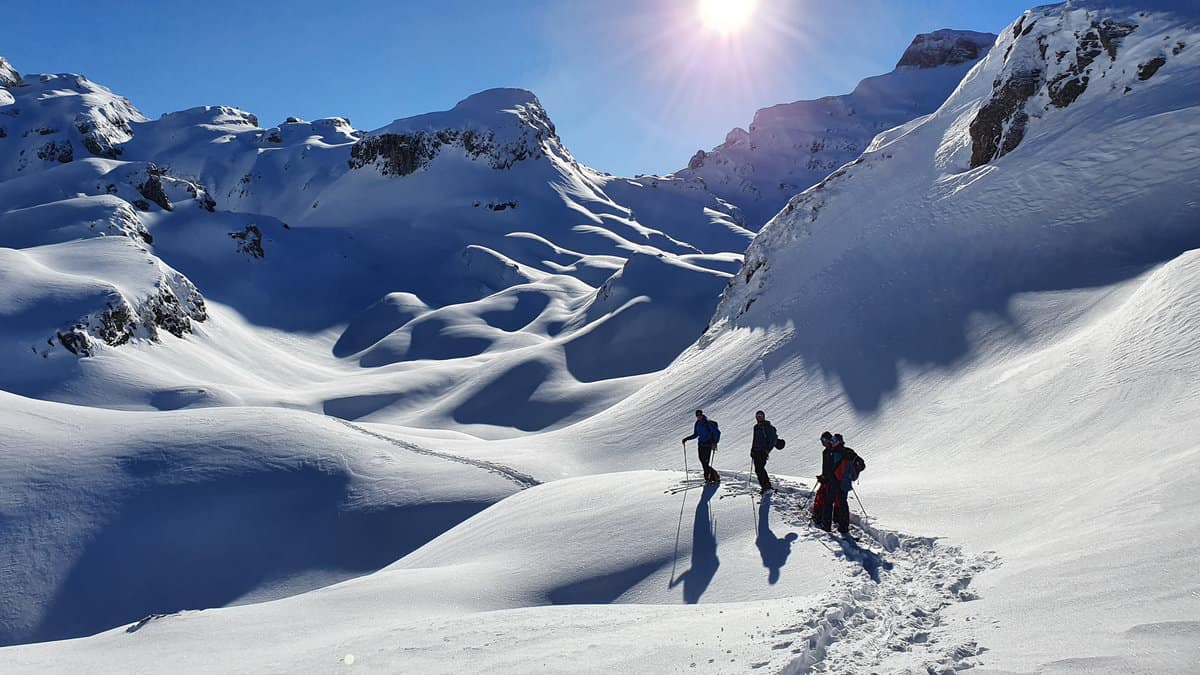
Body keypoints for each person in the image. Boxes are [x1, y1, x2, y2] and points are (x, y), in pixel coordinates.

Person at [815, 432, 861, 535]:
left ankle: (827, 526)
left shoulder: (835, 452)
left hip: (834, 483)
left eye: (833, 440)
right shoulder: (842, 451)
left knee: (829, 503)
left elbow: (829, 469)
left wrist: (825, 478)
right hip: (843, 483)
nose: (831, 442)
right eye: (832, 440)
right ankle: (843, 527)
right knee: (841, 503)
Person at [682, 409, 720, 482]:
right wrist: (687, 438)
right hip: (701, 444)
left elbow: (717, 432)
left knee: (705, 462)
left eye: (700, 415)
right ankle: (712, 476)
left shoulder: (707, 422)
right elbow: (696, 434)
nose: (699, 416)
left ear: (702, 414)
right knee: (702, 460)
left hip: (708, 444)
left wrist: (715, 442)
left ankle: (711, 476)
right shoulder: (697, 423)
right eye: (697, 415)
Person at [750, 410, 777, 494]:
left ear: (763, 416)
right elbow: (754, 440)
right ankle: (765, 486)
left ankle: (766, 486)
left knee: (760, 469)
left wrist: (767, 450)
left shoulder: (768, 427)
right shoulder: (756, 427)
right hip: (756, 451)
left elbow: (772, 440)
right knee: (758, 469)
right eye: (757, 416)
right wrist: (752, 449)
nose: (759, 417)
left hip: (763, 451)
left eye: (760, 415)